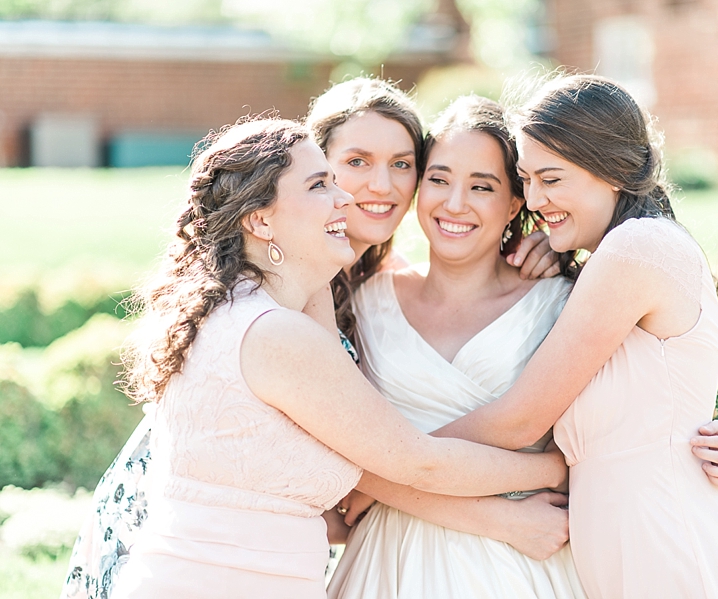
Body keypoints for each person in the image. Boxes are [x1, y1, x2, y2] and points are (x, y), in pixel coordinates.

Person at [60, 78, 560, 599]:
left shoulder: (371, 280)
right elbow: (381, 454)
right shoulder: (285, 297)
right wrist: (519, 501)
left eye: (402, 164)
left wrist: (540, 243)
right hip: (179, 528)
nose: (378, 186)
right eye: (354, 164)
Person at [327, 96, 718, 599]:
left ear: (513, 204)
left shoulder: (569, 297)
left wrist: (690, 439)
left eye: (483, 186)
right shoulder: (359, 298)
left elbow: (638, 400)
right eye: (438, 179)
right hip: (387, 558)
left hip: (528, 559)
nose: (455, 203)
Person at [435, 75, 718, 598]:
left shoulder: (637, 248)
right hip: (630, 553)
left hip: (668, 553)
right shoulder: (616, 257)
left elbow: (520, 419)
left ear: (612, 172)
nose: (533, 199)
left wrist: (393, 462)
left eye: (552, 179)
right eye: (526, 179)